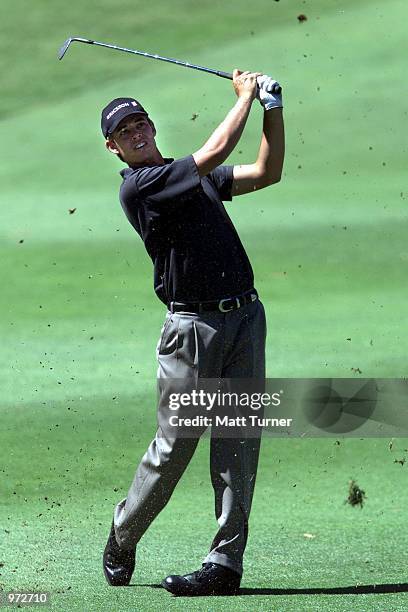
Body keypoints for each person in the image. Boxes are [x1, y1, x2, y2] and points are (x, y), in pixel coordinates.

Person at [101, 69, 285, 596]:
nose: (137, 133)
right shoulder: (143, 188)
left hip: (245, 319)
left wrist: (273, 108)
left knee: (239, 441)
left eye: (141, 123)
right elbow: (216, 148)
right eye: (125, 132)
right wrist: (247, 96)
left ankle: (225, 565)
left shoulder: (192, 177)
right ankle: (124, 531)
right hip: (193, 329)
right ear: (113, 148)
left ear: (153, 126)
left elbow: (266, 173)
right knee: (177, 441)